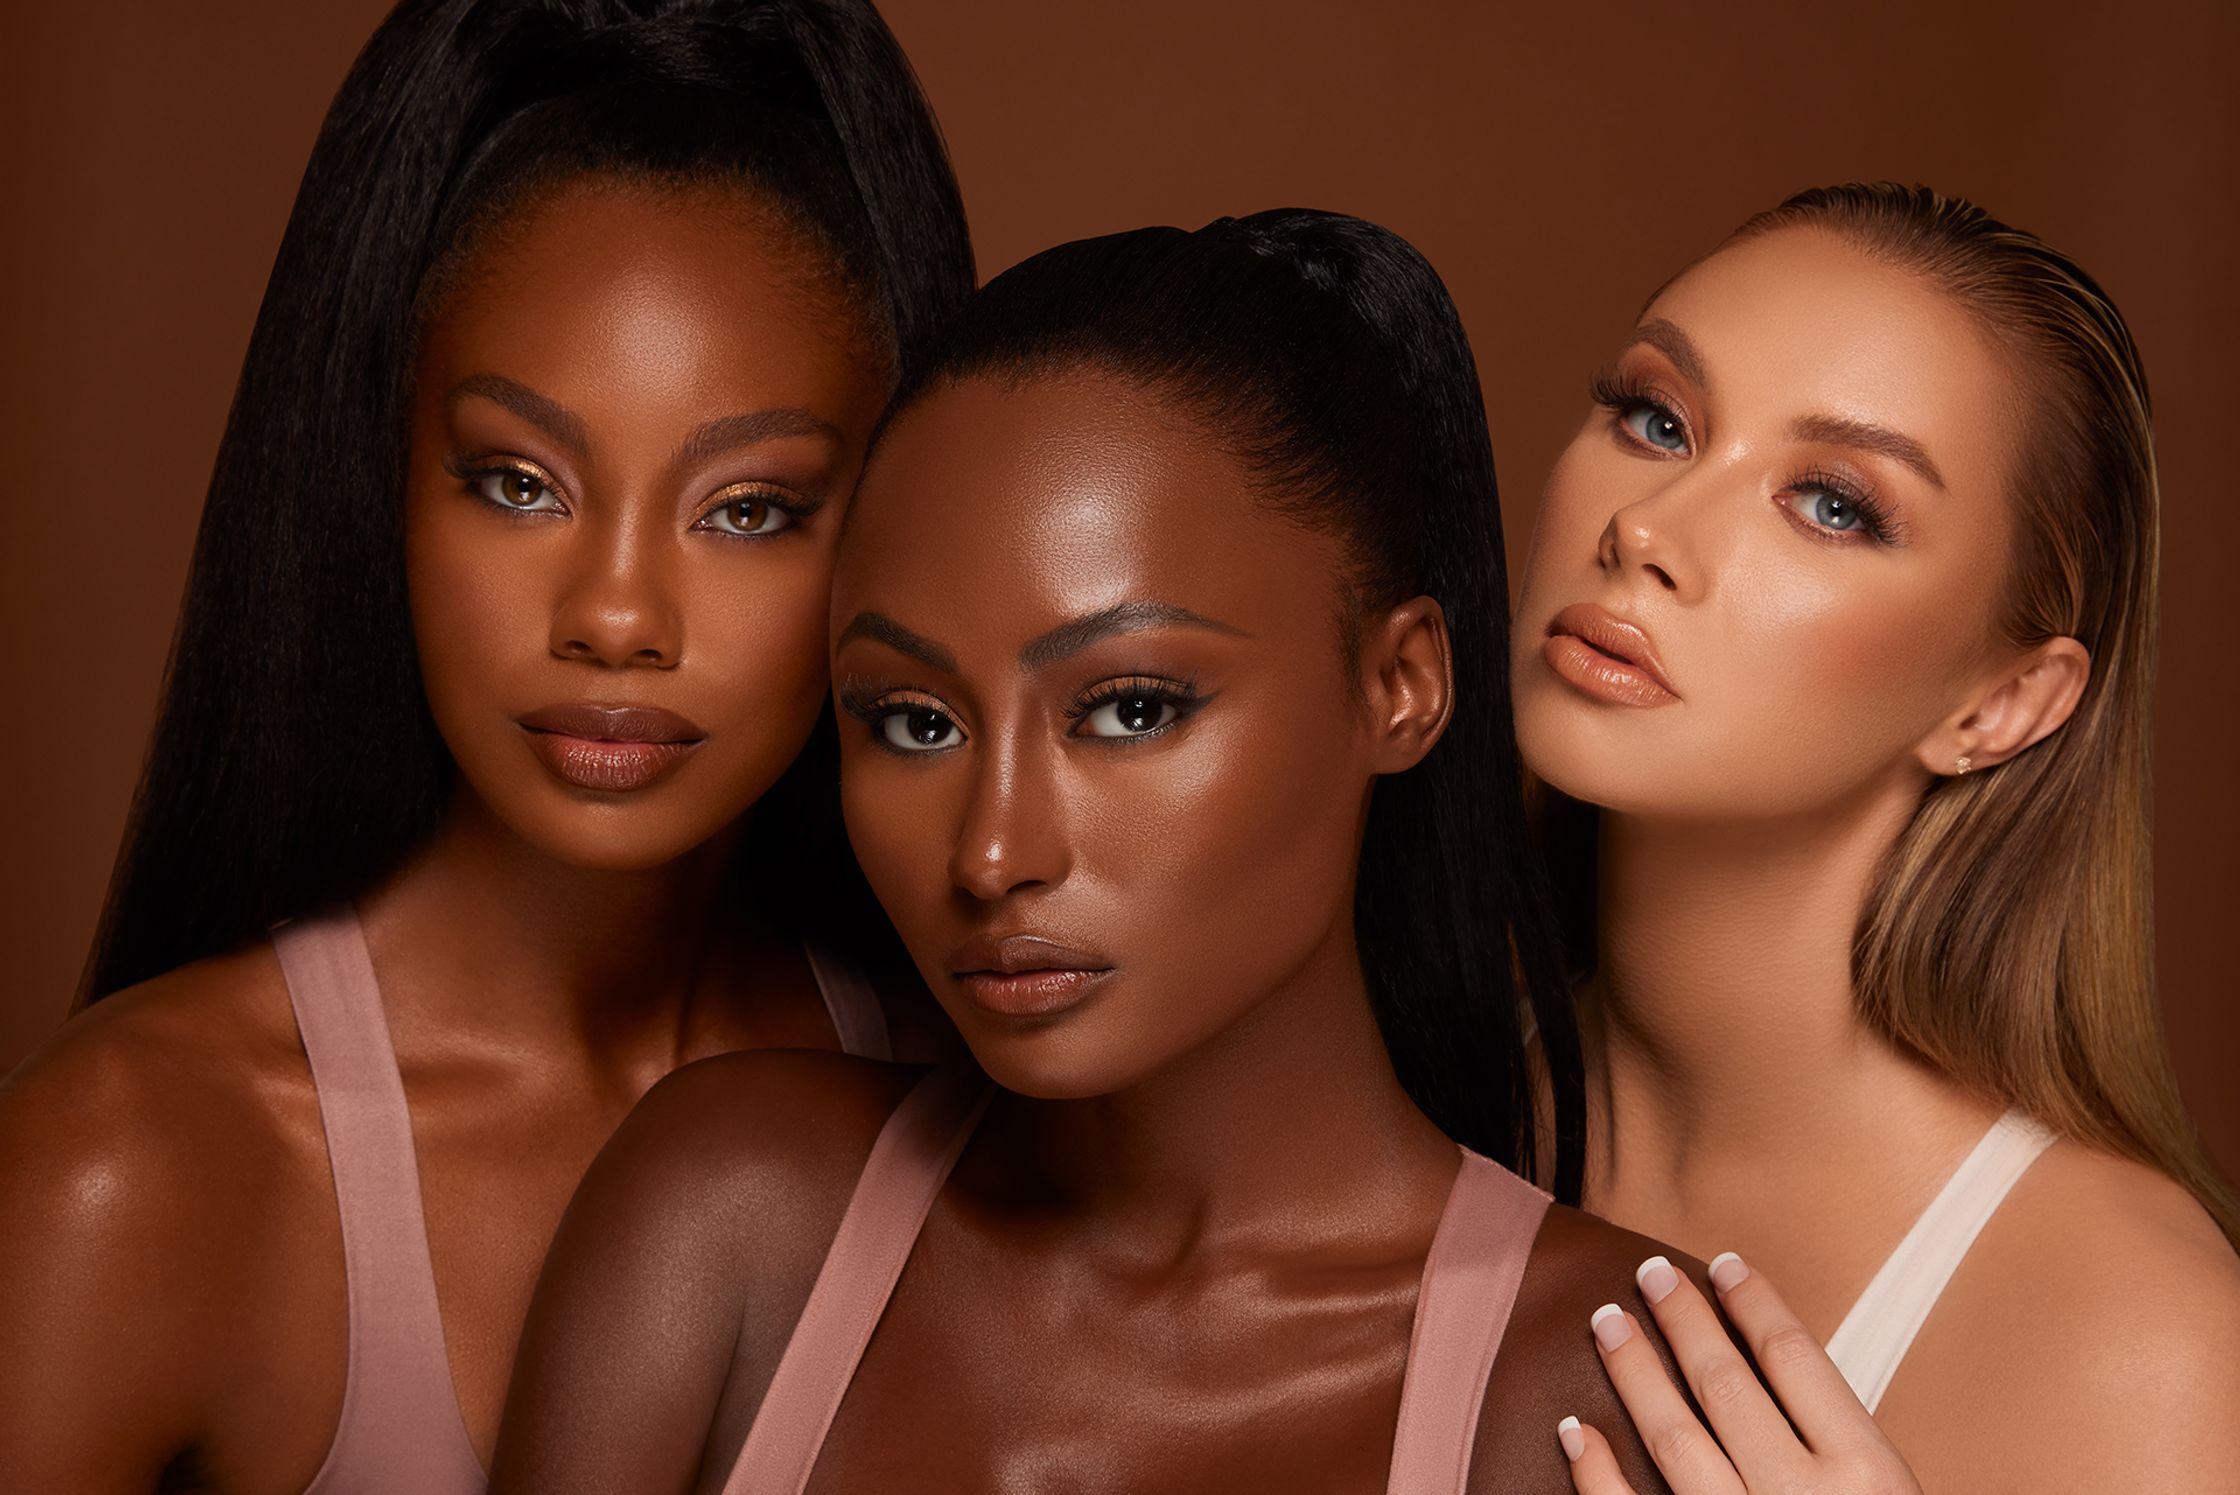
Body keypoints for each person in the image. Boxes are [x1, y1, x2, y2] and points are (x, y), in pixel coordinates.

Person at [491, 210, 1712, 1494]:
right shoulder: (731, 1216)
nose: (991, 850)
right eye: (914, 722)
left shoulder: (1600, 1383)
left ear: (1397, 683)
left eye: (1130, 708)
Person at [0, 2, 971, 1489]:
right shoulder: (135, 1167)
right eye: (519, 483)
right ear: (385, 476)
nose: (618, 613)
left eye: (748, 508)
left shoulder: (966, 1099)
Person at [1511, 184, 2240, 1493]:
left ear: (2000, 702)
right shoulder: (1390, 1123)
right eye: (1656, 417)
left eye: (1836, 503)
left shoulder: (2140, 1337)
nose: (1649, 529)